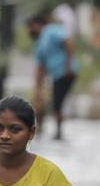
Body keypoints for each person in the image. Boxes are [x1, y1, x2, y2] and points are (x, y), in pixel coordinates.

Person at [29, 12, 78, 140]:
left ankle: (59, 133)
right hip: (56, 75)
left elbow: (68, 42)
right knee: (47, 102)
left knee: (57, 103)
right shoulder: (39, 43)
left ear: (38, 25)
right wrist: (37, 90)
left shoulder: (51, 31)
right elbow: (40, 68)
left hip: (65, 72)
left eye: (31, 26)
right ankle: (42, 129)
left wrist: (67, 65)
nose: (30, 30)